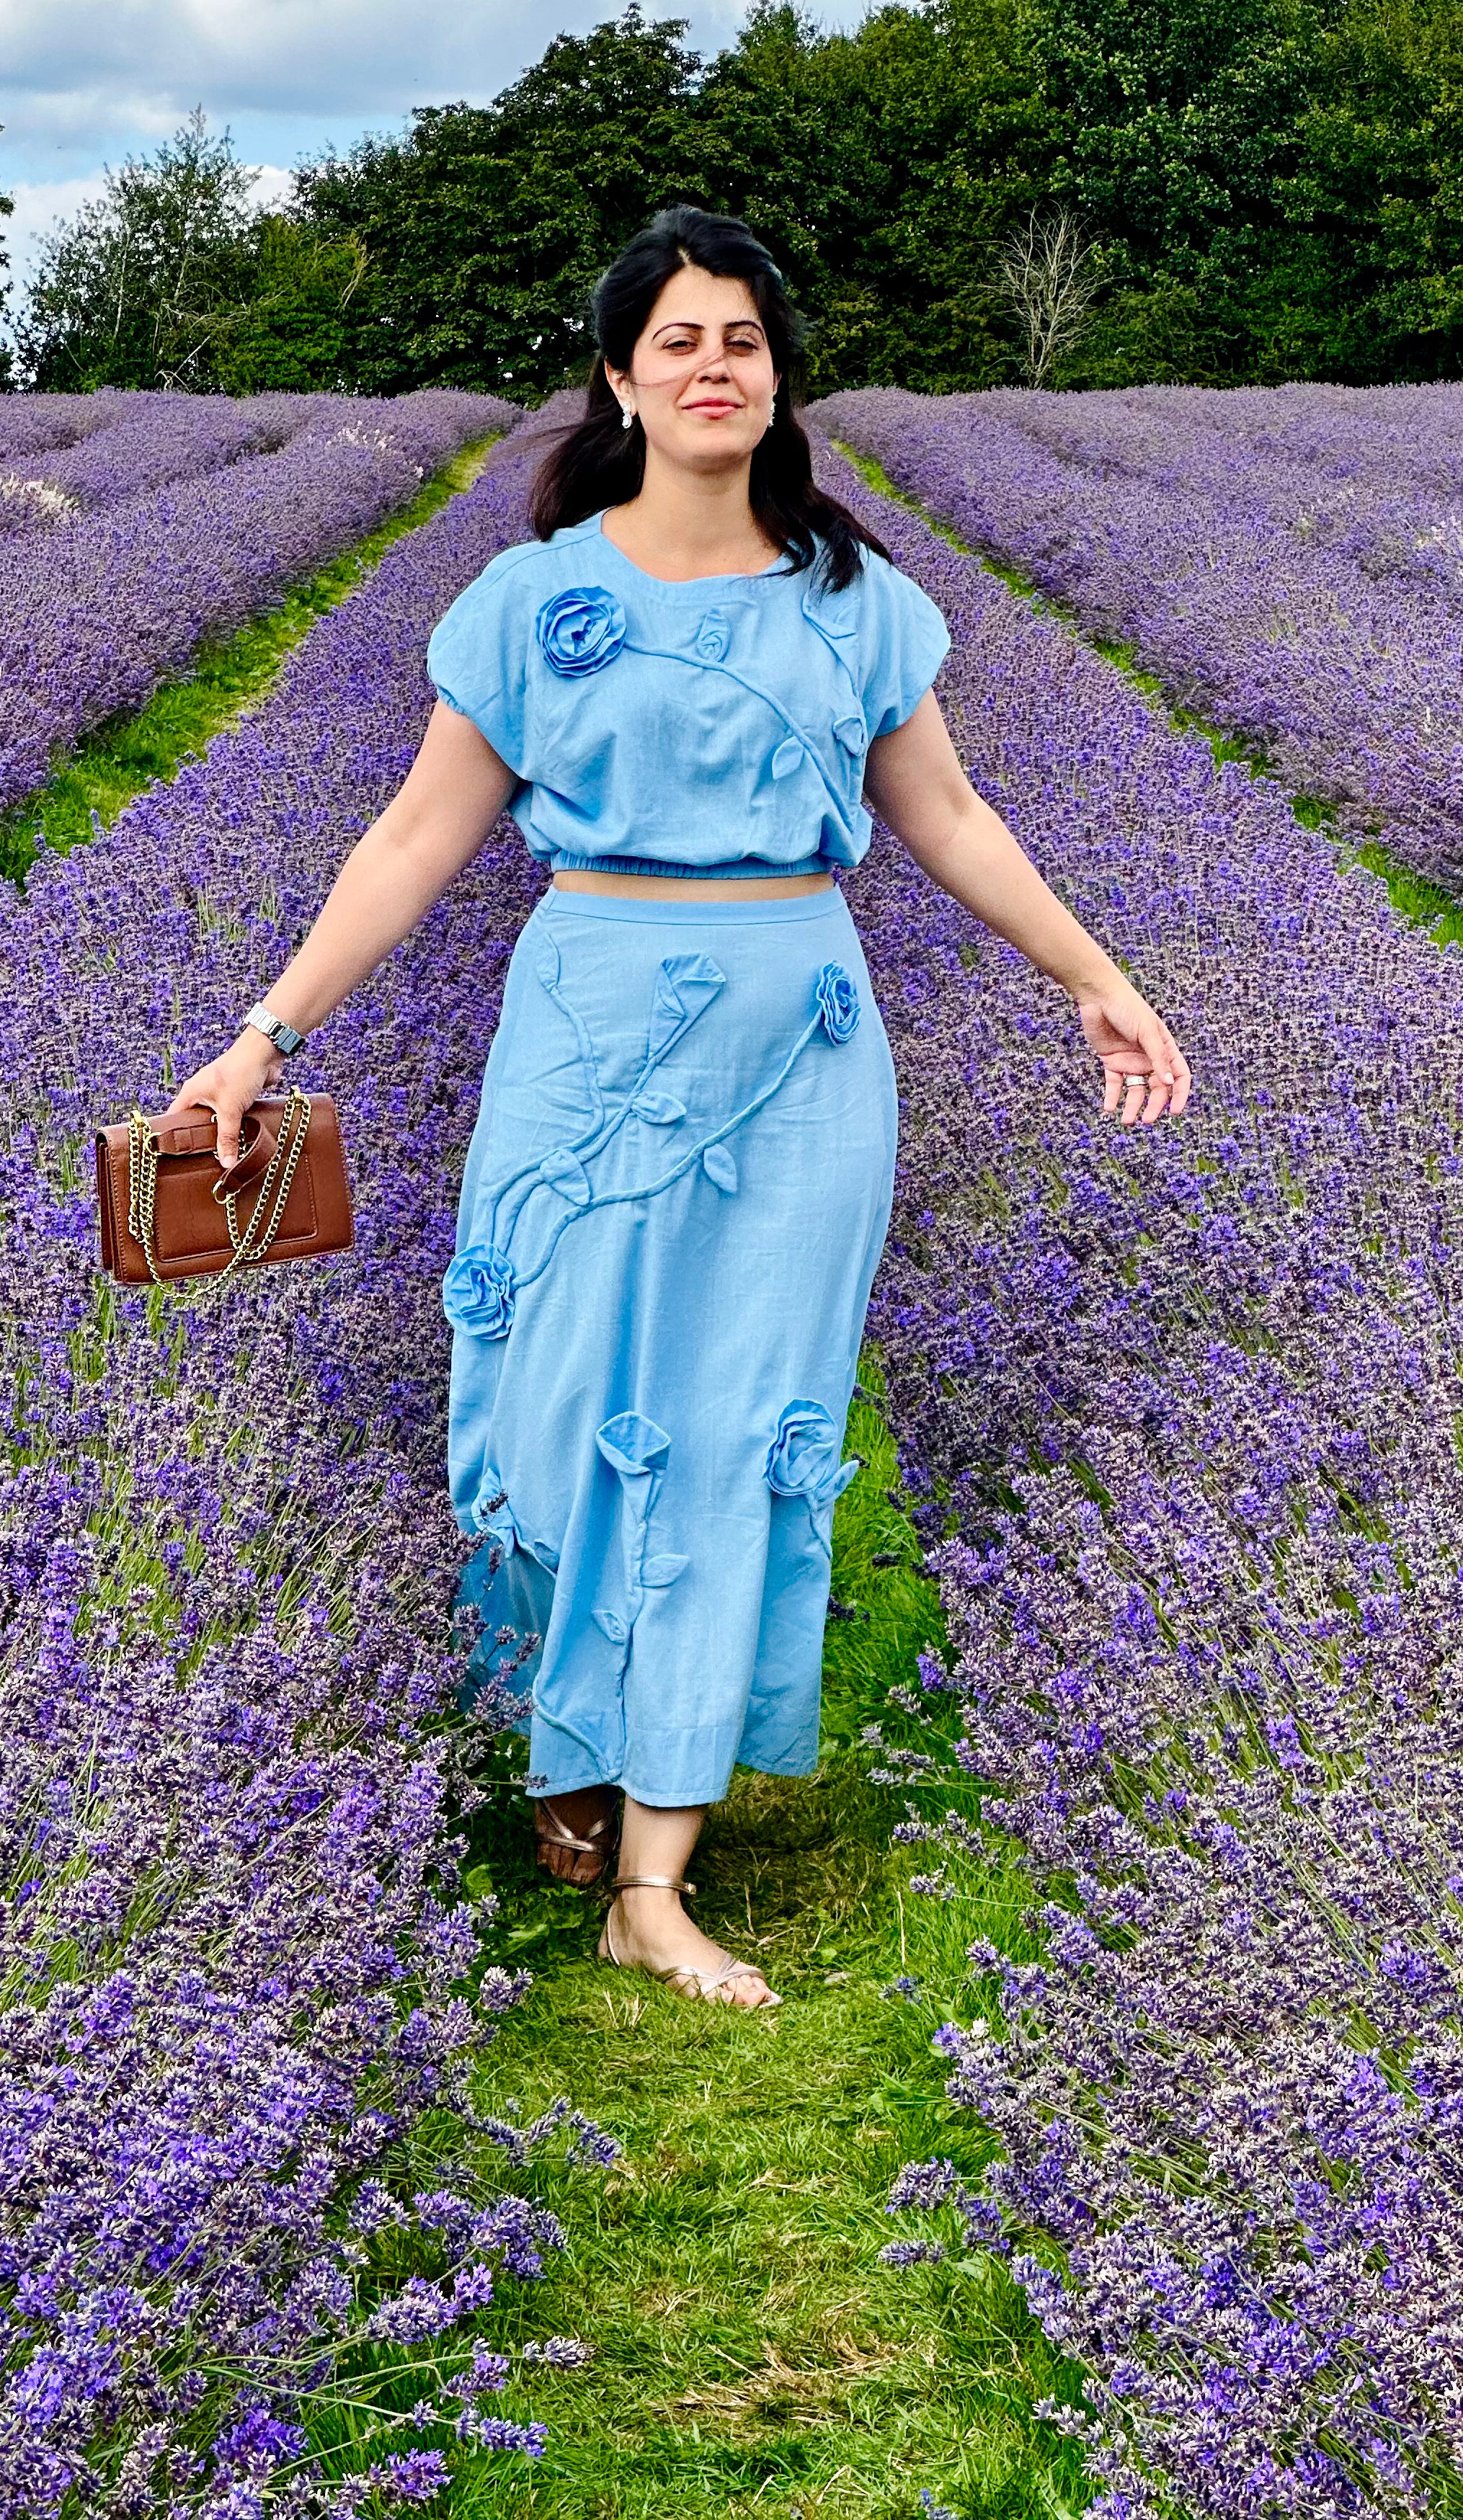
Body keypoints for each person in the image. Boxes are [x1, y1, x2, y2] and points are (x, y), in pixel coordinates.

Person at [174, 205, 1191, 2013]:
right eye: (680, 341)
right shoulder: (529, 603)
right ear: (622, 381)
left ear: (779, 376)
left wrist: (1091, 973)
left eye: (743, 339)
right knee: (552, 1404)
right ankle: (572, 1729)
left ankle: (654, 1867)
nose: (715, 367)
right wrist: (263, 1033)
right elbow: (413, 839)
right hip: (586, 1030)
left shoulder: (855, 601)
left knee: (728, 1430)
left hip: (797, 1046)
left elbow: (950, 817)